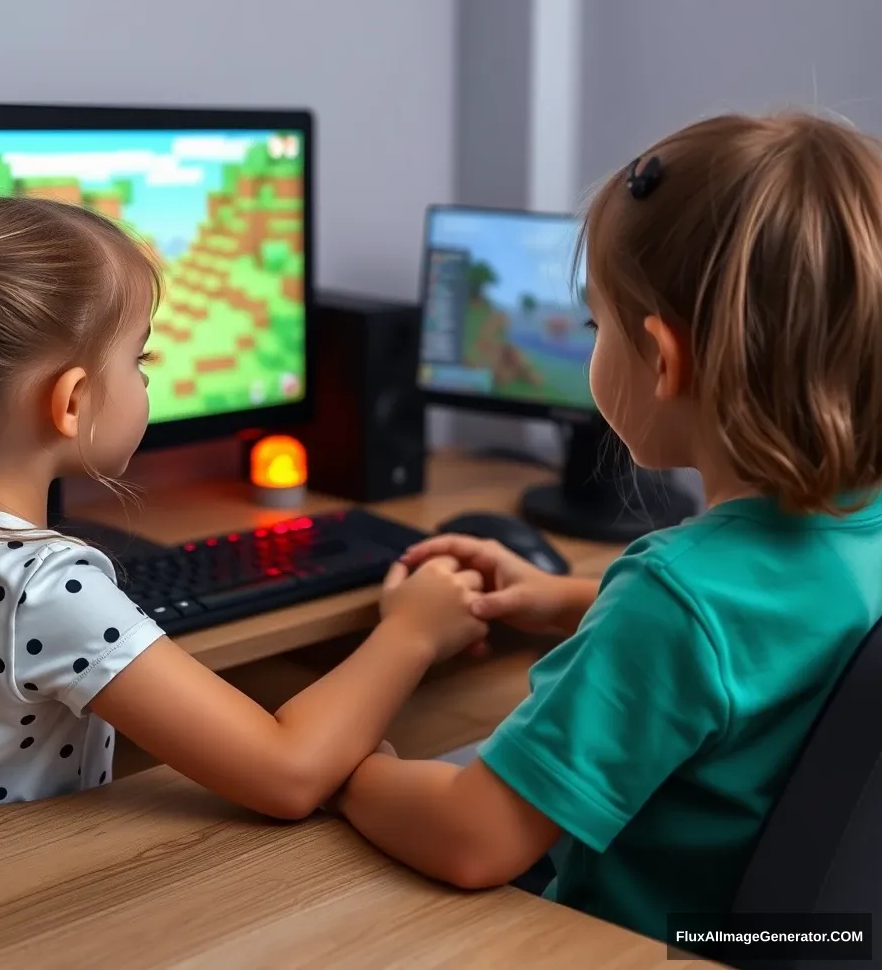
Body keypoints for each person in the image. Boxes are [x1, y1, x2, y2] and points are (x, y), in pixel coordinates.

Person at [335, 112, 882, 942]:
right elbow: (764, 636)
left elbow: (474, 838)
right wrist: (561, 598)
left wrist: (356, 766)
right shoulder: (857, 531)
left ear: (664, 359)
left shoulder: (672, 594)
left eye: (596, 326)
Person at [0, 194, 487, 812]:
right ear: (72, 403)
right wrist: (413, 631)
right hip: (29, 890)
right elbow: (287, 773)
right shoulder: (44, 589)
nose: (145, 378)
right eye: (140, 359)